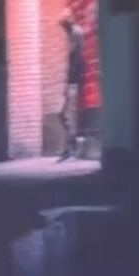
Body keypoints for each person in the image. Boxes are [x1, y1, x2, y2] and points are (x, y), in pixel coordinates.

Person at [57, 11, 86, 162]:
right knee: (64, 115)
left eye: (65, 26)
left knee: (68, 115)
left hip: (73, 82)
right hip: (72, 81)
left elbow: (74, 64)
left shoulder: (75, 35)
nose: (64, 31)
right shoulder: (74, 38)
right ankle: (70, 145)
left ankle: (70, 147)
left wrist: (69, 84)